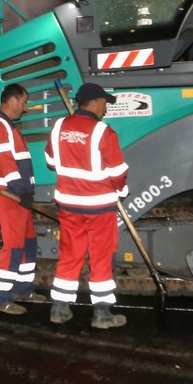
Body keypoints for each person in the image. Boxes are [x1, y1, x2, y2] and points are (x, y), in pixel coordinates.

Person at [44, 82, 129, 329]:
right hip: (99, 207)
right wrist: (122, 190)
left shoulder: (59, 126)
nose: (106, 108)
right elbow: (117, 171)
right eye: (104, 103)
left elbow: (50, 160)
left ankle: (59, 309)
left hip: (69, 205)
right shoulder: (104, 132)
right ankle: (102, 315)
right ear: (93, 103)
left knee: (70, 254)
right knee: (101, 257)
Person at [0, 83, 40, 315]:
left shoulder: (8, 127)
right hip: (9, 195)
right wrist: (18, 190)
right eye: (24, 103)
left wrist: (24, 191)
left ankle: (23, 289)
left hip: (18, 195)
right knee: (14, 244)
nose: (25, 108)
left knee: (28, 242)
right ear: (12, 101)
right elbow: (5, 161)